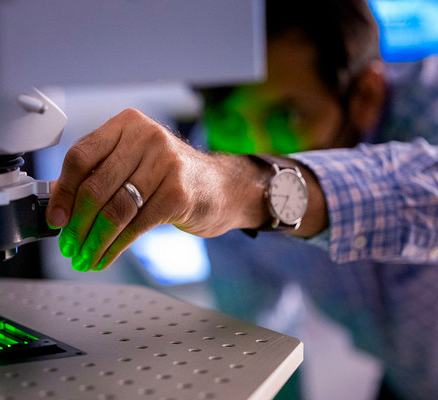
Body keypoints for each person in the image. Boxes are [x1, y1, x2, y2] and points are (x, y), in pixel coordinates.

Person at [45, 0, 438, 398]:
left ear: (366, 95)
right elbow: (258, 331)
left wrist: (256, 191)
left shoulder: (430, 100)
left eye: (286, 117)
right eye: (231, 120)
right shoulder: (214, 161)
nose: (254, 148)